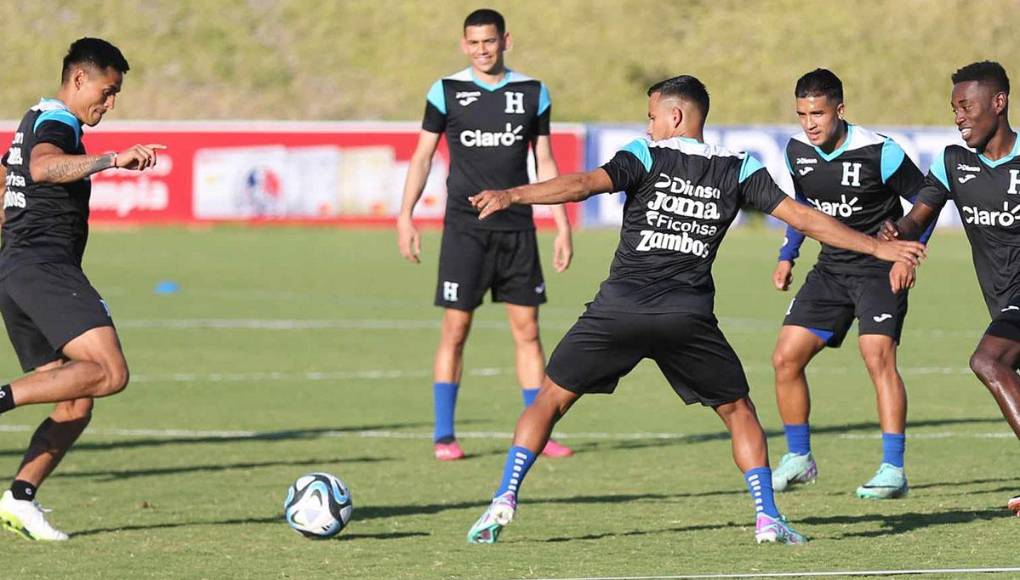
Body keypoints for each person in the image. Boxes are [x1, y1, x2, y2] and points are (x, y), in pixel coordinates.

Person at [464, 75, 926, 545]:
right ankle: (767, 516)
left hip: (618, 309)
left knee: (548, 399)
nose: (648, 125)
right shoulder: (738, 167)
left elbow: (583, 184)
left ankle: (504, 497)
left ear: (675, 116)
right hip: (687, 319)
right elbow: (804, 218)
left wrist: (512, 194)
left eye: (652, 116)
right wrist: (875, 247)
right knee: (738, 410)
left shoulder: (645, 153)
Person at [0, 37, 165, 541]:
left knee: (75, 400)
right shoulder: (58, 121)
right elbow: (44, 168)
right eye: (107, 90)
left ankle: (19, 499)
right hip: (43, 266)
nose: (110, 103)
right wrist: (113, 160)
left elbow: (10, 182)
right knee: (110, 372)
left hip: (18, 268)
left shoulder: (33, 119)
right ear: (79, 79)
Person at [396, 9, 574, 461]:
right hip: (464, 231)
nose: (482, 50)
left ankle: (538, 431)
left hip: (517, 229)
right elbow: (421, 158)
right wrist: (405, 216)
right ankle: (443, 435)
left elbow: (546, 162)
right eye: (474, 43)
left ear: (505, 40)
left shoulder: (532, 92)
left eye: (489, 42)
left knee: (528, 331)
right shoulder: (446, 91)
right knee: (456, 329)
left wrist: (562, 224)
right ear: (463, 44)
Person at [769, 69, 933, 499]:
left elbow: (927, 200)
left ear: (840, 110)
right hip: (830, 269)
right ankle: (799, 459)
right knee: (785, 359)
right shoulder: (797, 151)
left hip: (880, 268)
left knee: (876, 354)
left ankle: (893, 470)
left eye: (818, 113)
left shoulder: (881, 151)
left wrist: (908, 254)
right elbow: (803, 208)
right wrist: (788, 255)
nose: (809, 123)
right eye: (802, 114)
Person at [879, 61, 1020, 516]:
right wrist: (896, 233)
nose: (958, 116)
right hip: (1003, 301)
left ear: (998, 104)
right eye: (953, 108)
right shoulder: (951, 162)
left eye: (966, 106)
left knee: (988, 360)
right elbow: (918, 218)